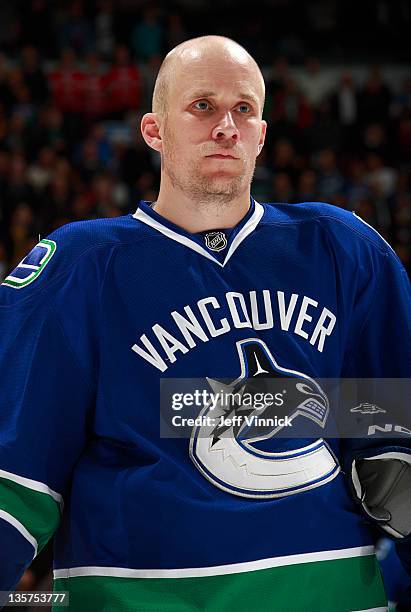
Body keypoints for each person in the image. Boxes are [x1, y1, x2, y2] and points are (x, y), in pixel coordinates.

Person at [0, 35, 410, 612]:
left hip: (328, 596)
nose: (226, 126)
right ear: (153, 131)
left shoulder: (342, 248)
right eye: (202, 106)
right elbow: (15, 479)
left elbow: (392, 442)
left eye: (243, 109)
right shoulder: (81, 266)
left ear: (262, 135)